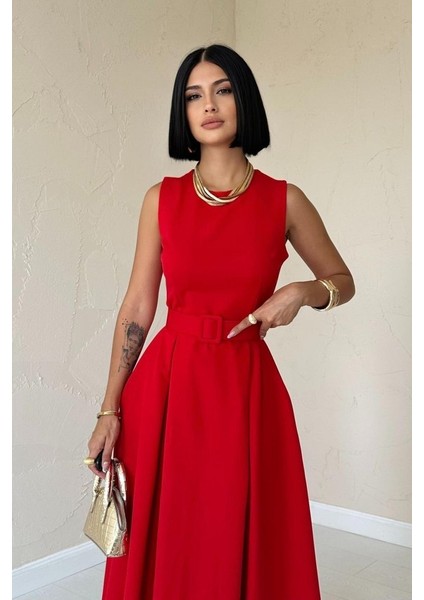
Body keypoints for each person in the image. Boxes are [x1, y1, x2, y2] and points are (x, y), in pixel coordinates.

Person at [85, 44, 355, 600]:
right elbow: (138, 307)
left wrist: (301, 292)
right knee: (170, 534)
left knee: (237, 529)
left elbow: (342, 280)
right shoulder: (161, 200)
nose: (208, 105)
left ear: (243, 100)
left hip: (245, 387)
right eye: (194, 96)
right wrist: (109, 408)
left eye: (223, 90)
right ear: (183, 113)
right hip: (167, 387)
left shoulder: (285, 201)